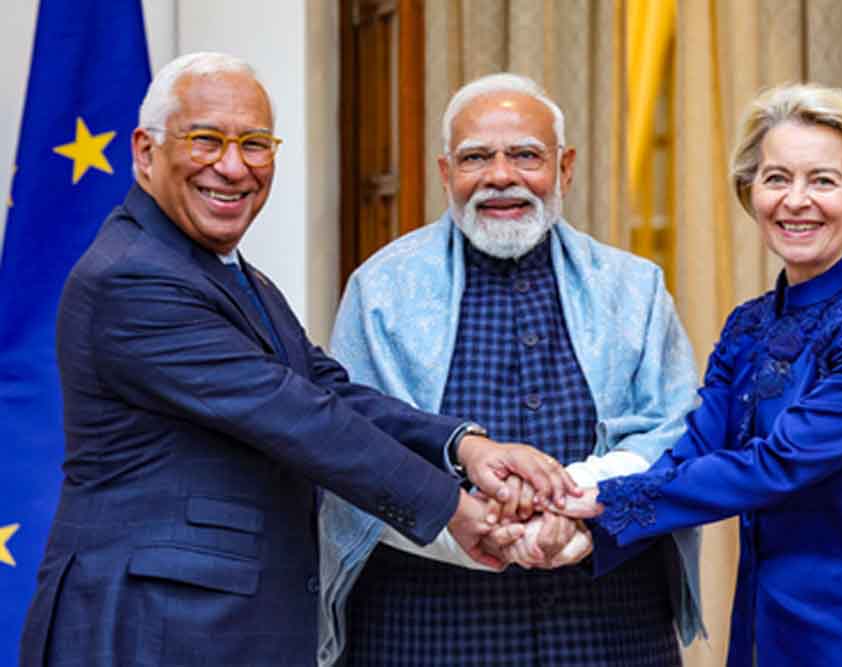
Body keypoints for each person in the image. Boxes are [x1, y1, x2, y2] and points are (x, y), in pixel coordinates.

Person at [18, 53, 575, 667]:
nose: (233, 167)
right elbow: (299, 418)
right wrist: (454, 509)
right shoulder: (134, 277)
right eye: (206, 140)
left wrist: (466, 446)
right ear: (146, 152)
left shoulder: (225, 272)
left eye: (255, 144)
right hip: (148, 630)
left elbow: (328, 390)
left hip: (219, 628)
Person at [561, 83, 842, 666]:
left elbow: (778, 465)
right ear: (750, 193)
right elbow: (696, 449)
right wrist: (577, 511)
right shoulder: (749, 325)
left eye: (823, 181)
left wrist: (603, 502)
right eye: (776, 178)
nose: (795, 201)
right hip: (767, 626)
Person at [320, 73, 702, 667]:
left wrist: (583, 512)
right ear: (446, 173)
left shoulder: (633, 288)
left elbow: (675, 432)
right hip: (424, 631)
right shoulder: (382, 290)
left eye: (526, 155)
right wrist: (468, 524)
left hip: (608, 630)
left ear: (565, 168)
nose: (500, 176)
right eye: (476, 157)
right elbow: (351, 447)